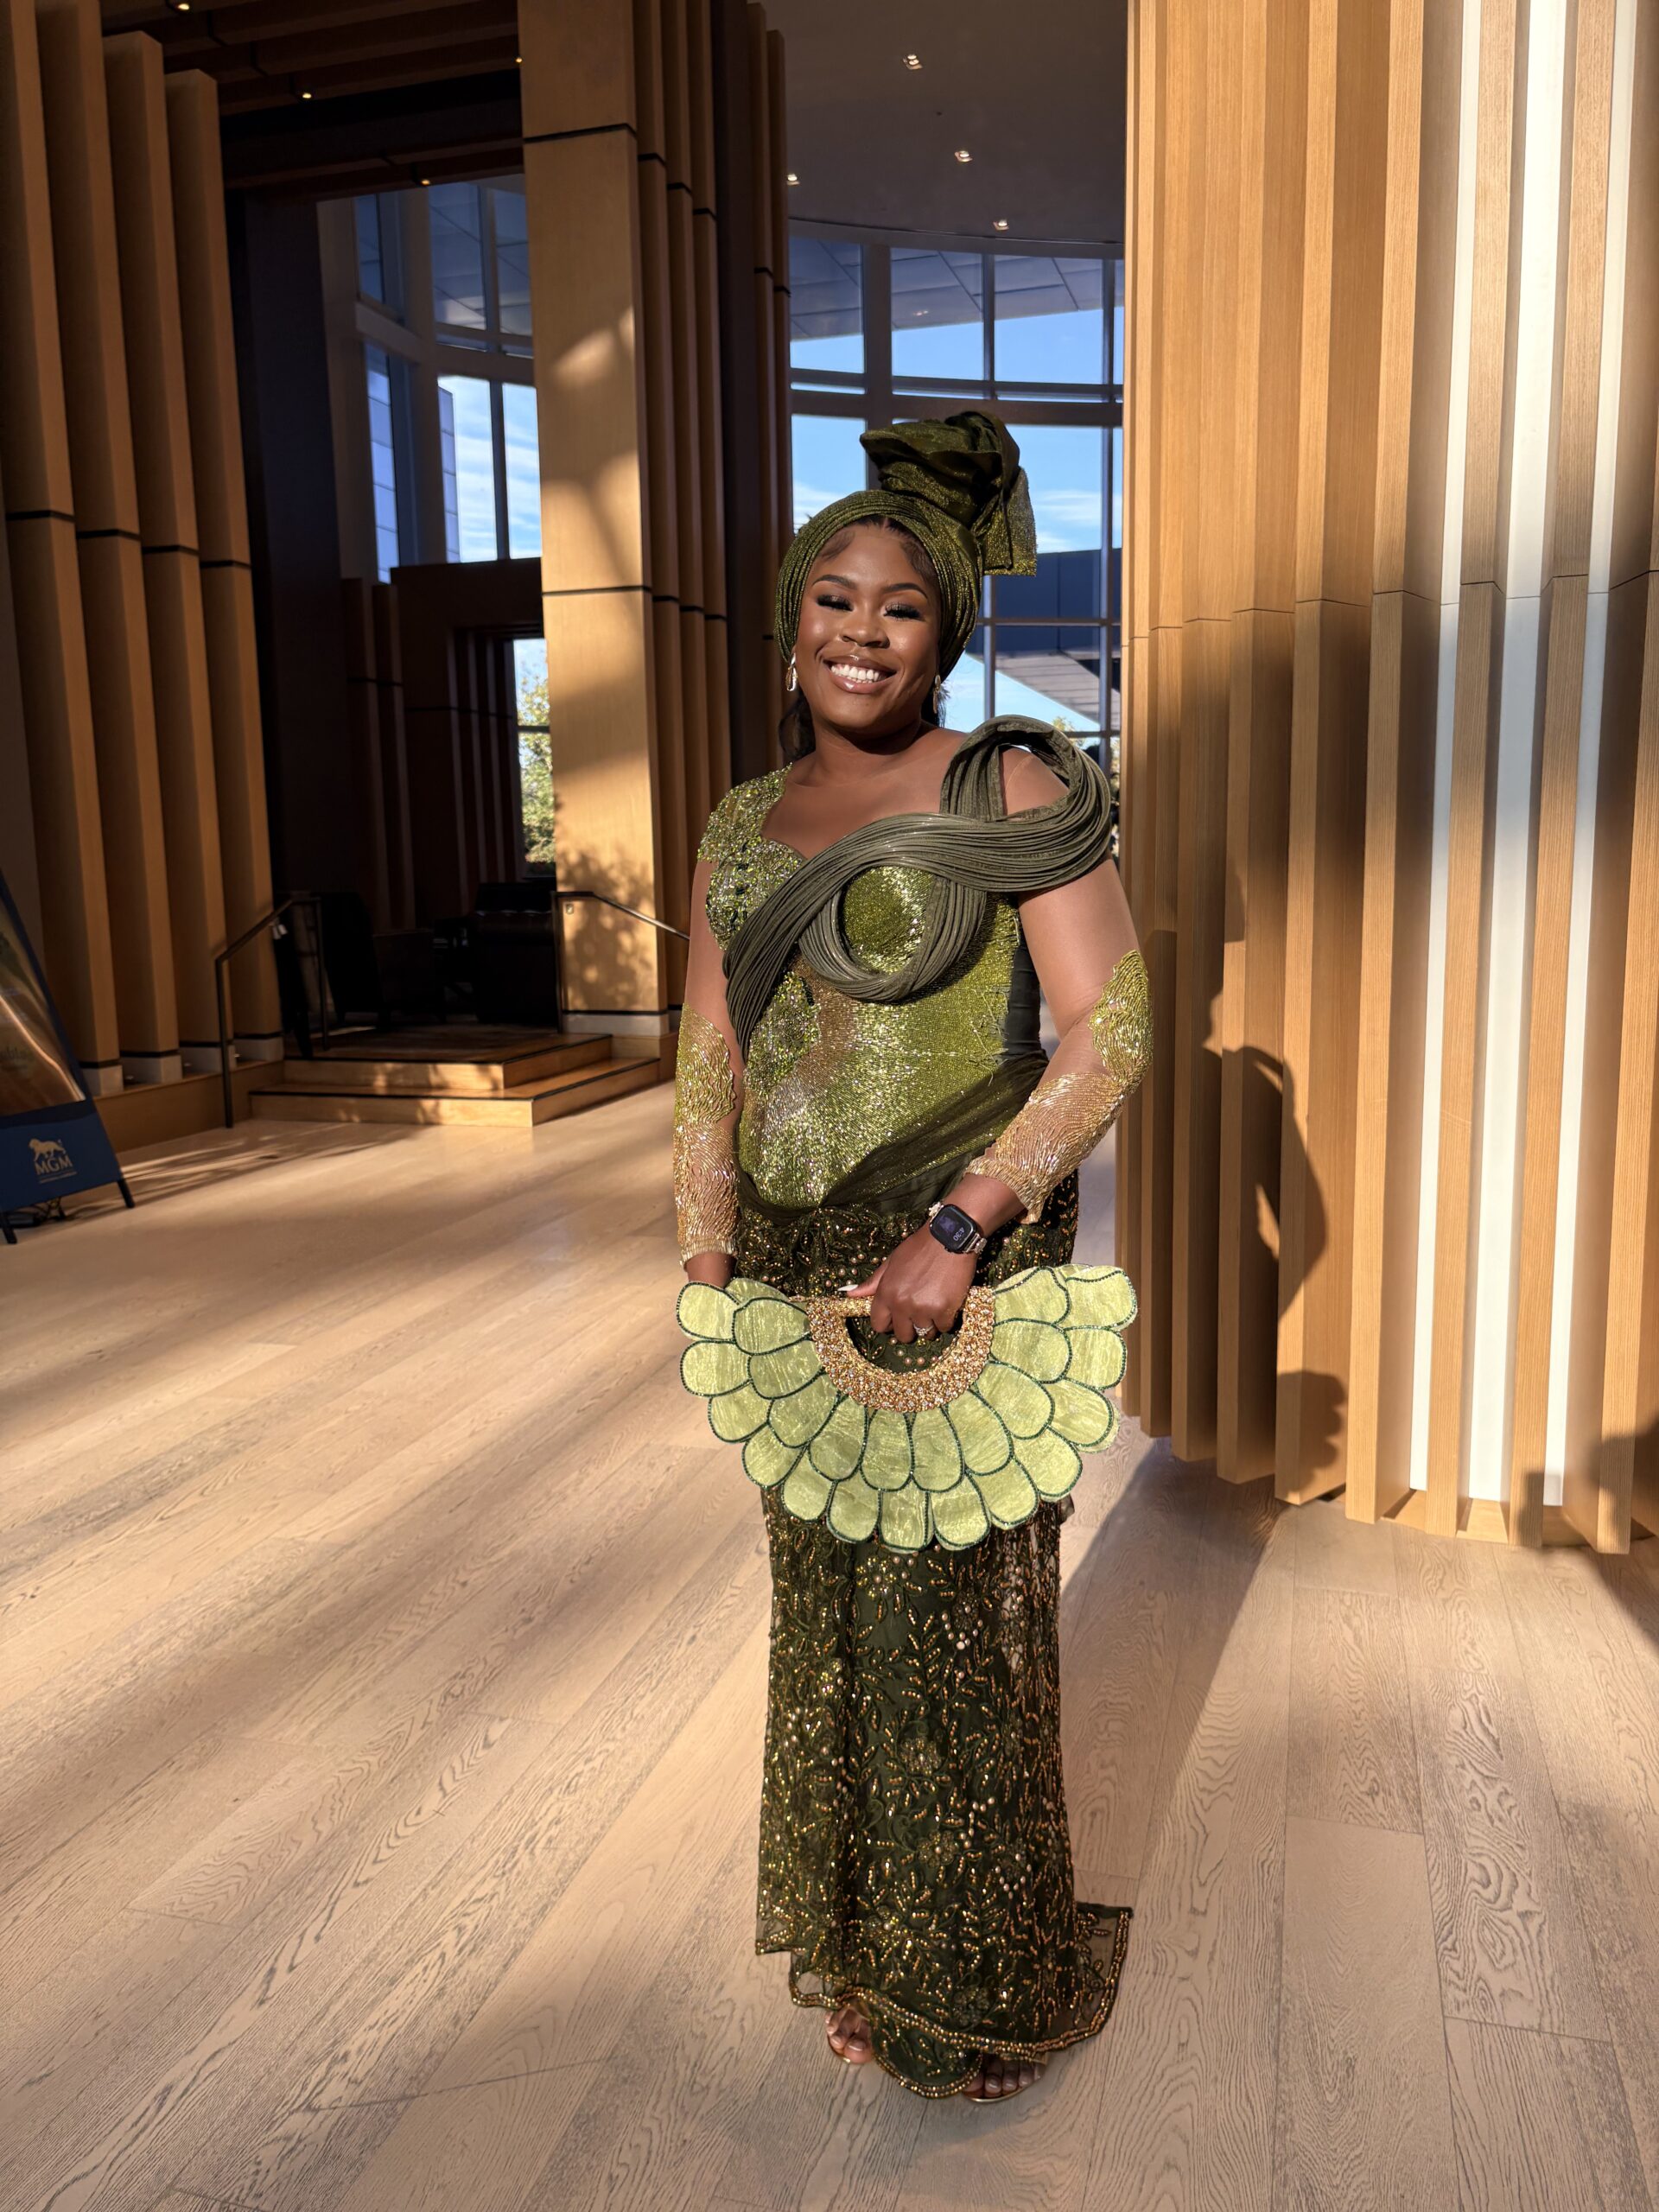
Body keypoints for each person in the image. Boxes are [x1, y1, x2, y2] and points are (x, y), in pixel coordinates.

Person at [674, 412, 1151, 2101]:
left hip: (954, 1270)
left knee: (952, 1631)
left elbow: (1113, 1028)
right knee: (832, 1626)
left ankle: (980, 1987)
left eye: (901, 607)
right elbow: (712, 1058)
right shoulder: (743, 821)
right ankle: (878, 1948)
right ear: (789, 614)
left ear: (944, 633)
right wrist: (704, 1266)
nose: (861, 634)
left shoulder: (1004, 784)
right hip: (791, 1278)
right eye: (834, 599)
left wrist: (963, 1222)